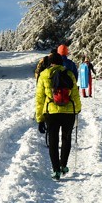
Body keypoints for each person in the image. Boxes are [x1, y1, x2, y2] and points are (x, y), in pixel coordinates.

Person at [35, 52, 82, 180]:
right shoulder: (69, 74)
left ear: (50, 62)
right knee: (66, 139)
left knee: (53, 140)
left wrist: (39, 118)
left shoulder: (44, 75)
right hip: (68, 112)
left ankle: (55, 170)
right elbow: (75, 95)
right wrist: (77, 109)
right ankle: (63, 165)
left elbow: (39, 98)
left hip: (51, 112)